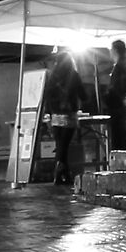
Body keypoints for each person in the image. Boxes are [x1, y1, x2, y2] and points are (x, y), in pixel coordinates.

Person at [40, 47, 85, 183]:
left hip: (55, 117)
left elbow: (47, 95)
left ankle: (62, 174)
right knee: (63, 146)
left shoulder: (53, 76)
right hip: (69, 116)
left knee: (60, 145)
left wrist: (49, 112)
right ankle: (61, 172)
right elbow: (84, 95)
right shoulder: (74, 75)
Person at [105, 39, 126, 151]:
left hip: (117, 108)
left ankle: (119, 165)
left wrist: (108, 96)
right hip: (121, 108)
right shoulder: (125, 65)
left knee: (118, 141)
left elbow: (116, 88)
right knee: (121, 138)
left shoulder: (120, 66)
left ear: (115, 50)